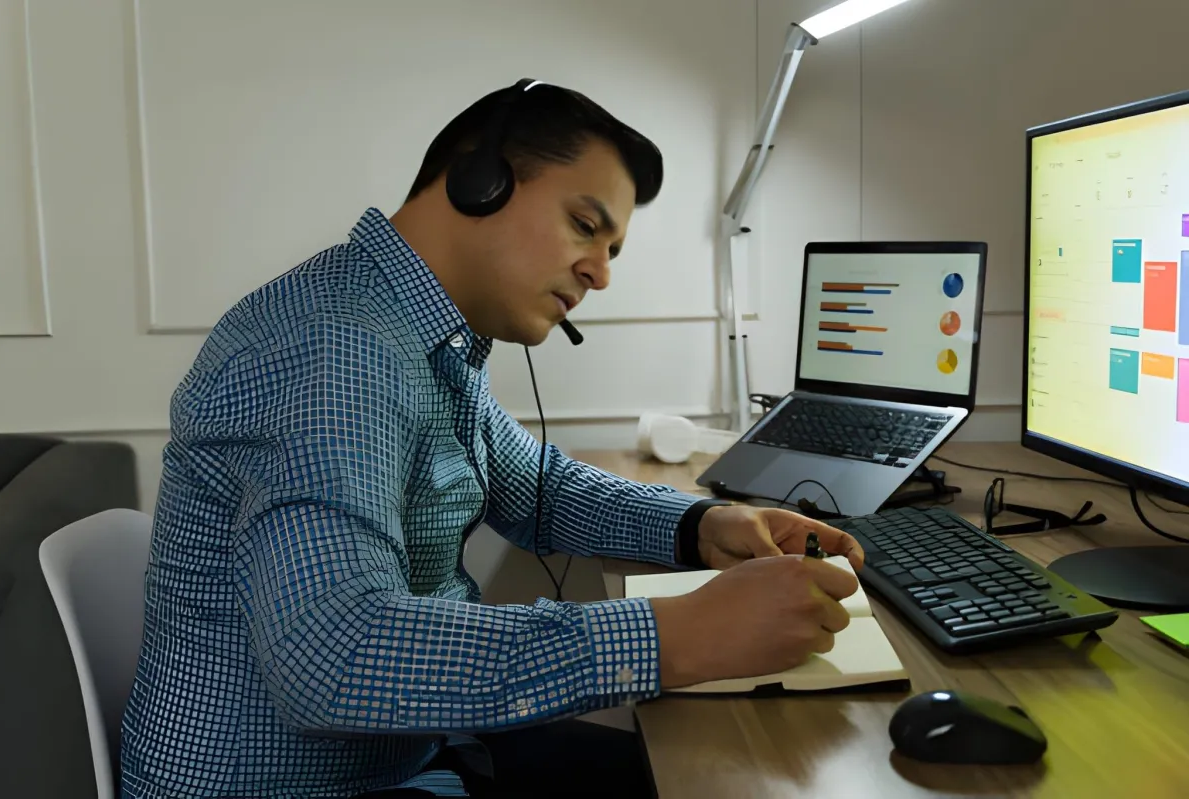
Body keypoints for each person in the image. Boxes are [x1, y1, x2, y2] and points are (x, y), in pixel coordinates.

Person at [118, 79, 864, 799]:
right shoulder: (333, 347)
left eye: (612, 250)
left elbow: (537, 485)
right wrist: (677, 635)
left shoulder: (419, 338)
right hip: (312, 783)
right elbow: (333, 655)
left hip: (408, 754)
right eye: (585, 225)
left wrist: (702, 525)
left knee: (722, 770)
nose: (599, 274)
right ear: (481, 182)